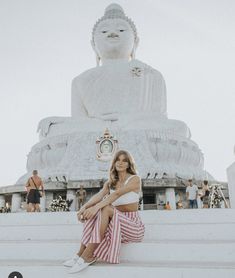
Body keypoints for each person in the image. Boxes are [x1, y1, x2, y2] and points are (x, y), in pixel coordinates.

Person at [63, 150, 145, 273]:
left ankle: (88, 255)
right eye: (118, 159)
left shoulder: (135, 179)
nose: (120, 163)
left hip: (132, 226)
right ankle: (80, 254)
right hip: (115, 226)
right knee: (99, 210)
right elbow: (99, 195)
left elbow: (117, 194)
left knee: (104, 208)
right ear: (114, 162)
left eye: (124, 160)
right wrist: (83, 208)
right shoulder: (111, 182)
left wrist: (96, 208)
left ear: (129, 164)